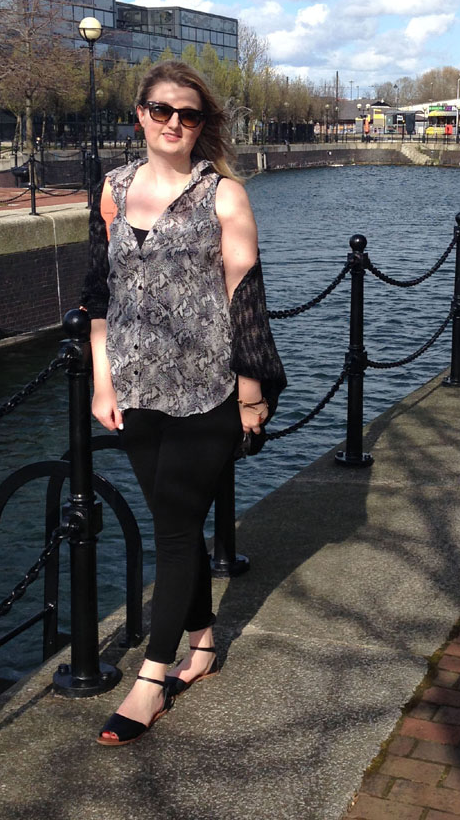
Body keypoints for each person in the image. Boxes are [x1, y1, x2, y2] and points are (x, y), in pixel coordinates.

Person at [80, 61, 285, 746]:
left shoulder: (222, 194)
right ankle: (204, 644)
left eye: (189, 114)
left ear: (203, 125)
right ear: (140, 113)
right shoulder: (112, 189)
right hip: (135, 388)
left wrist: (250, 395)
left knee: (172, 529)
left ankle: (151, 679)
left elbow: (245, 295)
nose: (174, 123)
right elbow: (99, 294)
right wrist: (103, 382)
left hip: (208, 390)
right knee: (178, 523)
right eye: (162, 110)